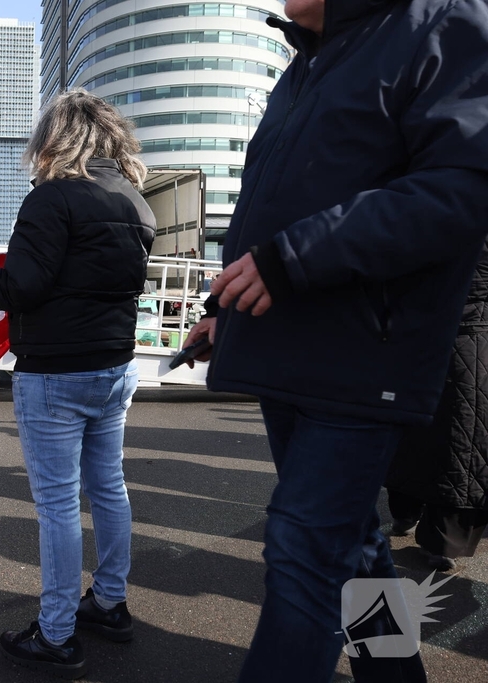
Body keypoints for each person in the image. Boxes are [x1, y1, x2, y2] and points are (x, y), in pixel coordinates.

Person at [182, 0, 488, 681]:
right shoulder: (308, 60)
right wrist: (224, 311)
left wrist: (295, 258)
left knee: (304, 551)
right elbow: (278, 202)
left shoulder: (444, 24)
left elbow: (459, 192)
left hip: (364, 351)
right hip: (294, 345)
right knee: (351, 548)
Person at [0, 88, 155, 679]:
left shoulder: (53, 199)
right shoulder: (135, 202)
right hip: (115, 366)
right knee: (109, 489)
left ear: (55, 138)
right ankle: (108, 603)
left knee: (56, 506)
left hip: (55, 373)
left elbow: (20, 287)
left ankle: (55, 634)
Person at [385, 239, 488, 572]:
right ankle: (442, 541)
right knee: (462, 441)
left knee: (413, 435)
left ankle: (405, 513)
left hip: (416, 339)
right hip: (471, 340)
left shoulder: (425, 203)